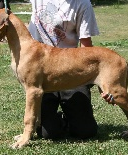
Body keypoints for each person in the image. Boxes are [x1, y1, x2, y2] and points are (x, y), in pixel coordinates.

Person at [28, 0, 112, 139]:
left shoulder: (82, 4)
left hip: (70, 71)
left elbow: (87, 49)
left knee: (85, 131)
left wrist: (101, 82)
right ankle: (56, 120)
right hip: (43, 72)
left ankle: (70, 118)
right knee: (47, 133)